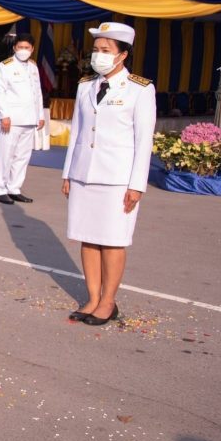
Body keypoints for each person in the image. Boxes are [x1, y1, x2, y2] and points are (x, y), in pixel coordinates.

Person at [62, 22, 155, 326]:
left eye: (105, 50)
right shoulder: (85, 85)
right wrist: (68, 173)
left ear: (122, 55)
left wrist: (137, 185)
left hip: (117, 179)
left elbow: (144, 141)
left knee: (113, 240)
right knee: (88, 238)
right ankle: (92, 297)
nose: (98, 55)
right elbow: (76, 132)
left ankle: (108, 301)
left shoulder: (140, 89)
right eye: (96, 50)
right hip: (83, 174)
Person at [0, 31, 45, 204]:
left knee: (22, 157)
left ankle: (14, 188)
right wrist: (4, 115)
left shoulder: (33, 67)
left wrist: (40, 115)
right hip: (11, 120)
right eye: (20, 47)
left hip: (29, 119)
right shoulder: (4, 66)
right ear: (14, 48)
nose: (23, 50)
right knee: (5, 155)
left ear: (32, 49)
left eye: (27, 47)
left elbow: (37, 92)